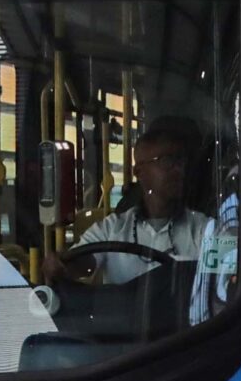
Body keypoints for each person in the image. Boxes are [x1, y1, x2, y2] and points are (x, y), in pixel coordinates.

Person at [55, 119, 212, 286]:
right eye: (167, 161)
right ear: (139, 172)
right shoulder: (112, 228)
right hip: (123, 313)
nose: (179, 170)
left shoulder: (204, 230)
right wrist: (62, 265)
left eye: (181, 162)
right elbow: (82, 264)